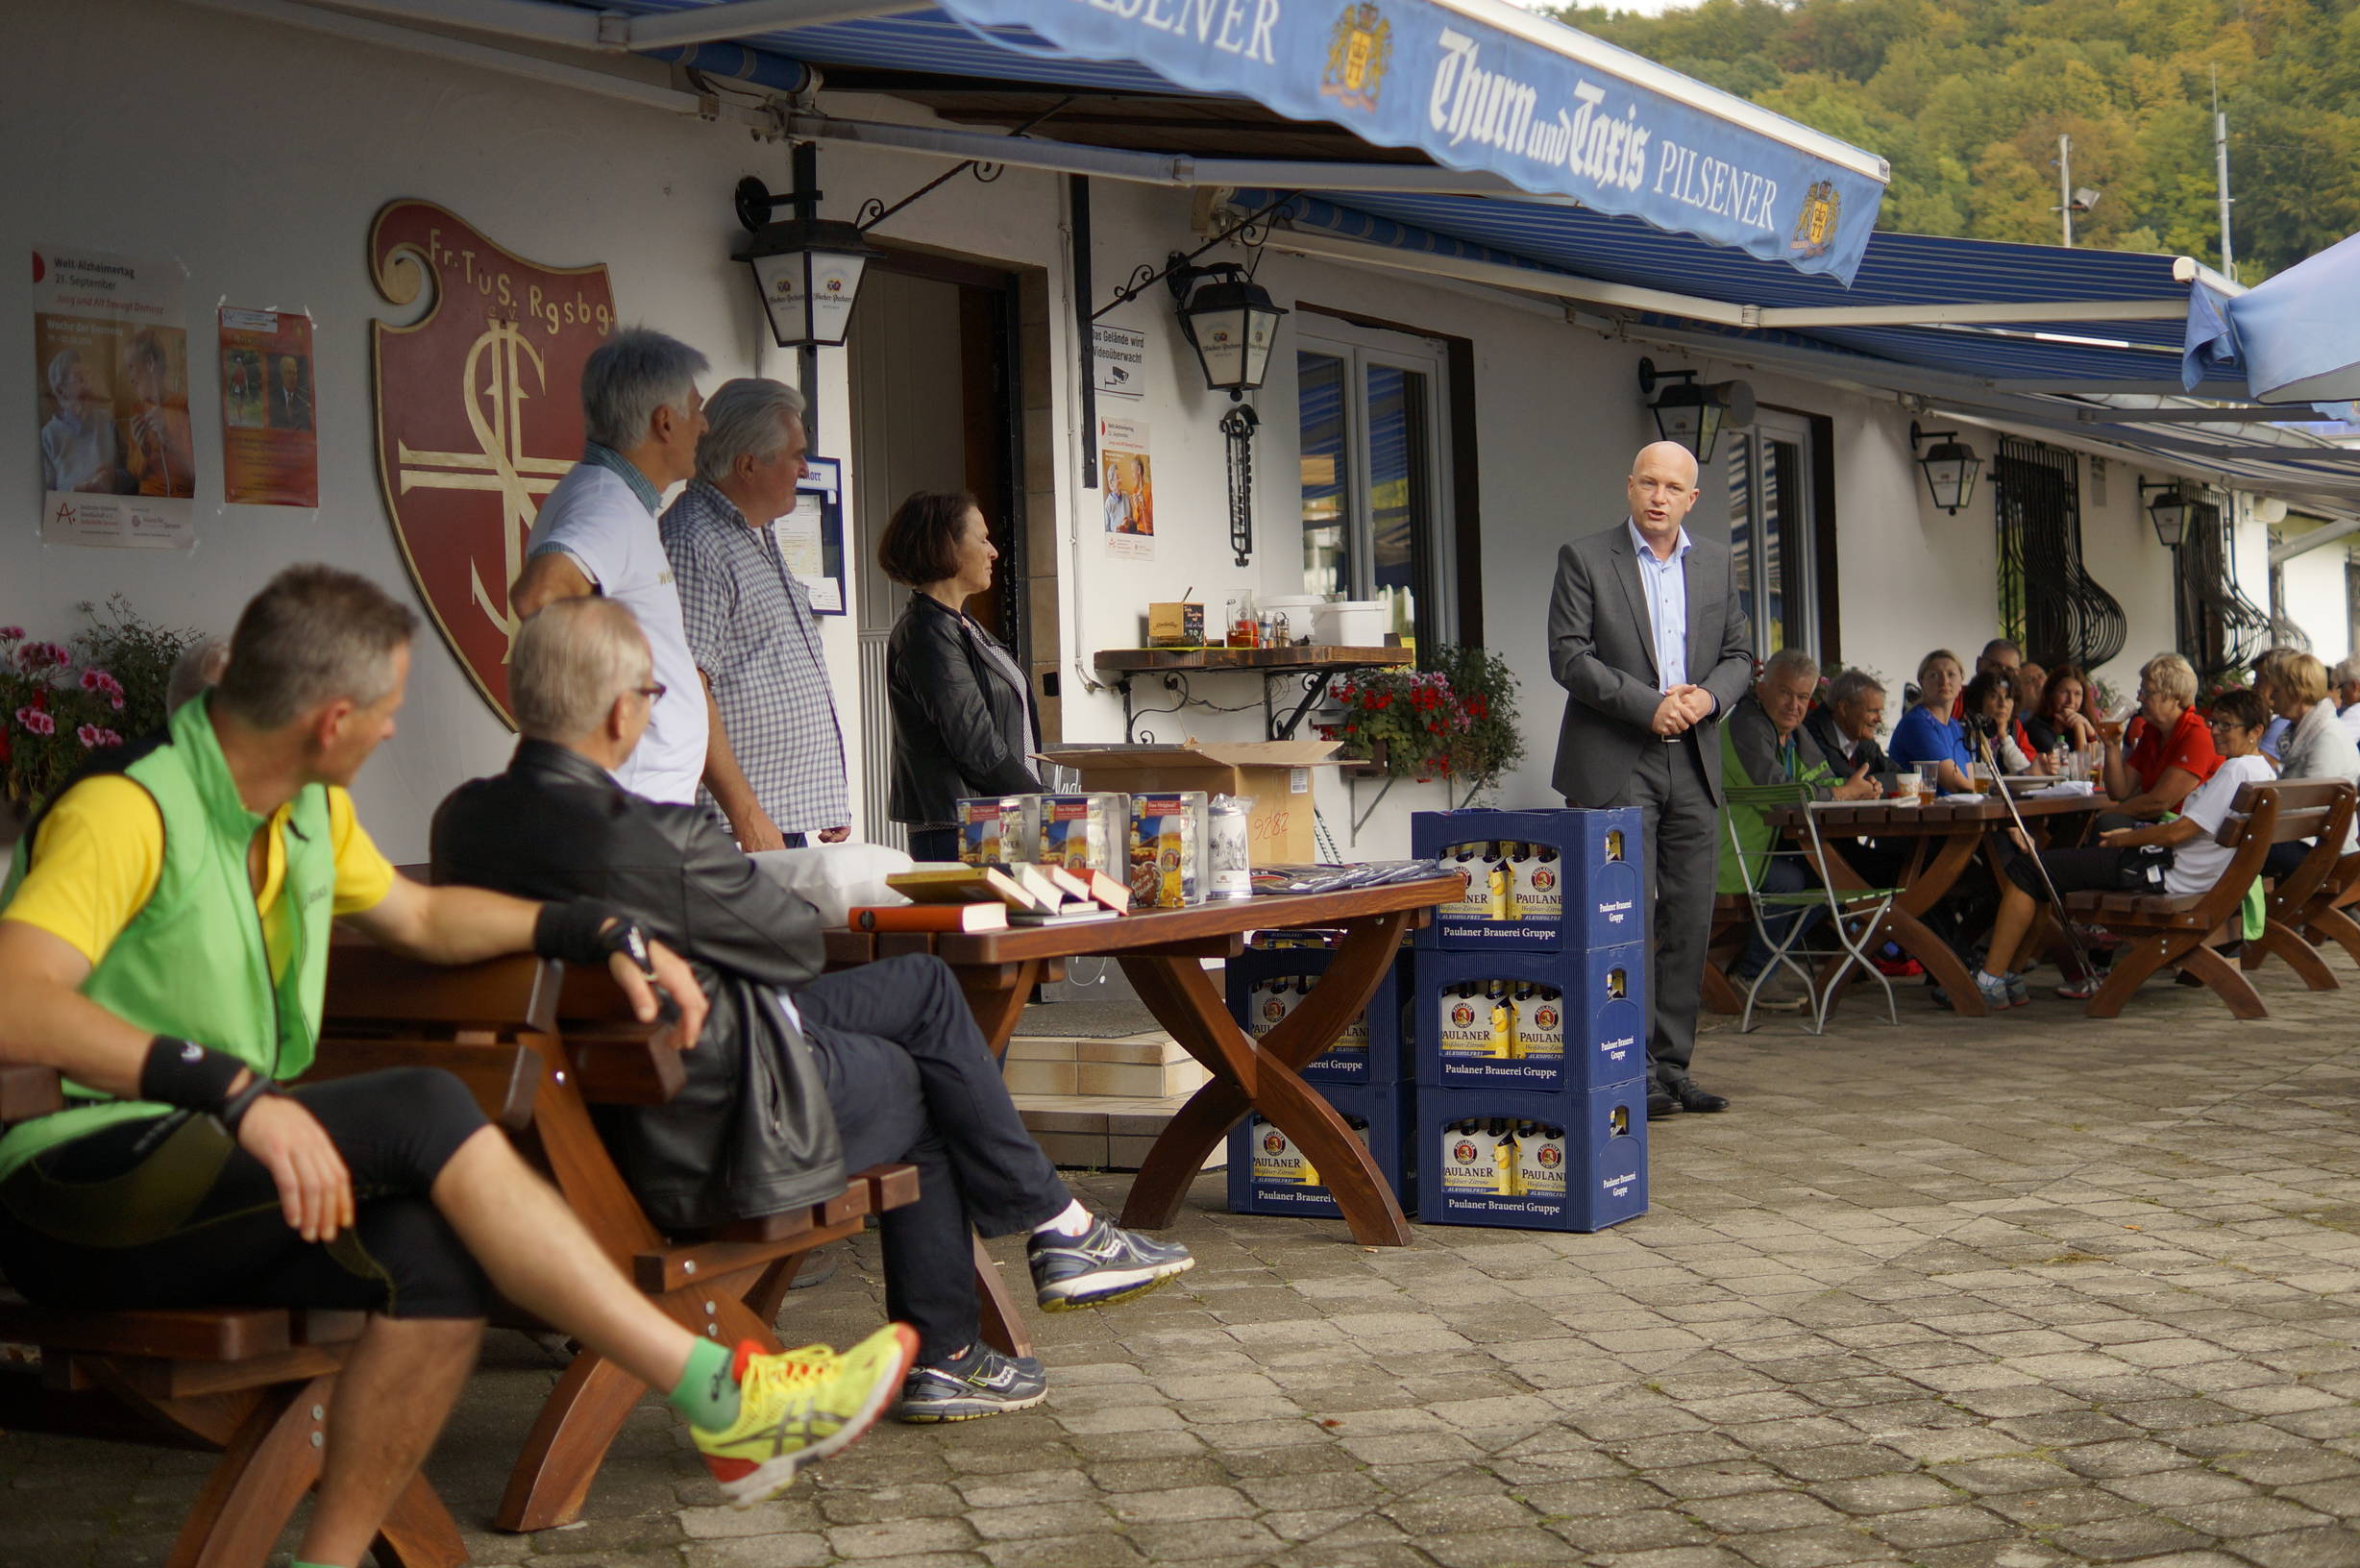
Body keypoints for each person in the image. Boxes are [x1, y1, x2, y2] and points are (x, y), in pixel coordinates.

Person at [0, 567, 920, 1556]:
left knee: (432, 1265)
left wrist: (590, 926)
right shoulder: (128, 809)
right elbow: (15, 1001)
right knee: (426, 1107)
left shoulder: (305, 810)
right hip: (76, 1187)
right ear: (331, 721)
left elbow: (424, 919)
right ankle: (720, 1393)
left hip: (209, 1180)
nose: (396, 729)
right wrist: (229, 1088)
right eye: (388, 710)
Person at [433, 597, 1192, 1421]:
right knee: (925, 1078)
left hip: (567, 1120)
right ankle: (955, 1344)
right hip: (705, 1133)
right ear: (622, 711)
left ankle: (1061, 1226)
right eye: (654, 696)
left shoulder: (463, 824)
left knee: (926, 991)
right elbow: (793, 947)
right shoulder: (656, 837)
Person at [1547, 441, 1754, 1118]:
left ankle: (1671, 1068)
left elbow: (1740, 655)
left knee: (1690, 918)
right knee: (1622, 920)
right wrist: (1648, 705)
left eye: (1672, 487)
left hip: (1693, 758)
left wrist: (1708, 698)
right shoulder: (1585, 558)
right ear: (1629, 487)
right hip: (1617, 756)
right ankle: (1626, 1069)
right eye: (1648, 483)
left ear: (1693, 498)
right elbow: (1568, 656)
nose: (1659, 497)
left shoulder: (1718, 562)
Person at [510, 327, 710, 806]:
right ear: (665, 422)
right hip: (632, 795)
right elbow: (540, 595)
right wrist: (616, 704)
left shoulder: (613, 499)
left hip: (638, 796)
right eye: (697, 408)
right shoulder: (607, 506)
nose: (704, 426)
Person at [1976, 689, 2274, 1005]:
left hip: (2166, 874)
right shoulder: (2263, 771)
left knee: (2029, 869)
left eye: (2227, 725)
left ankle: (1991, 979)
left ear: (2255, 731)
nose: (2216, 731)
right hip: (2194, 876)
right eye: (2215, 723)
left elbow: (2180, 832)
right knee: (2041, 874)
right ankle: (2008, 978)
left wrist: (2123, 839)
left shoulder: (2236, 770)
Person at [661, 378, 850, 851]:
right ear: (748, 465)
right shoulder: (695, 541)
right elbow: (686, 688)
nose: (805, 469)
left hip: (773, 822)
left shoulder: (755, 532)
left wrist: (822, 798)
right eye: (796, 455)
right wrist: (746, 816)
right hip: (732, 832)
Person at [878, 492, 1043, 863]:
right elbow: (975, 743)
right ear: (946, 546)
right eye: (982, 539)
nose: (994, 552)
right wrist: (1044, 802)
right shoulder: (927, 631)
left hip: (996, 821)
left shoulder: (962, 626)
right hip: (959, 831)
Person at [1716, 649, 1879, 993]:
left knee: (1838, 875)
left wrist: (1857, 789)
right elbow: (1778, 794)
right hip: (1730, 854)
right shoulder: (1746, 726)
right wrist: (1841, 793)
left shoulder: (1795, 733)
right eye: (1785, 693)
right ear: (1762, 689)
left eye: (1803, 697)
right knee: (1794, 880)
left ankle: (1759, 966)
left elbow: (1822, 779)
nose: (1794, 705)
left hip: (1768, 849)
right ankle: (1755, 973)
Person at [2256, 650, 2360, 878]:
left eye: (2277, 690)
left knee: (2236, 845)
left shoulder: (2327, 737)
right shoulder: (2304, 732)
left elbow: (2313, 809)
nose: (2271, 697)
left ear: (2296, 692)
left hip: (2324, 850)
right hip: (2307, 842)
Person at [2102, 652, 2220, 821]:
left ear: (2175, 697)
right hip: (2159, 823)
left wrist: (2109, 813)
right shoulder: (2153, 732)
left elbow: (2158, 803)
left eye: (2147, 692)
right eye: (2140, 691)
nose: (2139, 698)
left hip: (2183, 828)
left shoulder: (2198, 736)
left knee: (2106, 822)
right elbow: (2120, 791)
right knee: (2104, 823)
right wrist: (2112, 746)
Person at [122, 329, 195, 500]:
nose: (130, 378)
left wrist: (169, 439)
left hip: (183, 500)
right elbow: (133, 471)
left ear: (150, 363)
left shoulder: (183, 406)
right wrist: (143, 449)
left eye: (132, 367)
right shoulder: (137, 411)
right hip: (149, 498)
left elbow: (195, 470)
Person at [1889, 649, 1975, 794]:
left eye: (1951, 674)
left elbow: (1971, 781)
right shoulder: (1917, 723)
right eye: (1934, 675)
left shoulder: (1955, 727)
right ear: (1921, 682)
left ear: (1961, 683)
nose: (1944, 681)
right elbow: (1957, 785)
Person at [40, 348, 121, 494]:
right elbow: (46, 497)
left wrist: (114, 478)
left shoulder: (107, 421)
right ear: (61, 391)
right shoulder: (49, 435)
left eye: (90, 378)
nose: (89, 386)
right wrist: (74, 495)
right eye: (80, 379)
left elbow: (131, 476)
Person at [1803, 667, 1895, 786]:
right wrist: (1873, 783)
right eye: (1872, 711)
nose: (1879, 719)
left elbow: (1901, 776)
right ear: (1845, 708)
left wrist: (1871, 783)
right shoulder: (1811, 733)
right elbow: (1849, 783)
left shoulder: (1860, 735)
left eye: (1880, 711)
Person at [1960, 671, 2033, 775]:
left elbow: (2025, 774)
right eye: (1994, 696)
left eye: (2008, 697)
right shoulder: (1966, 731)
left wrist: (2004, 737)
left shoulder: (2014, 729)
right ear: (1980, 700)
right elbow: (1981, 776)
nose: (2002, 704)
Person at [2023, 662, 2100, 759]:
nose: (2071, 700)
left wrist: (2091, 733)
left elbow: (2098, 762)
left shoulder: (2078, 724)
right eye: (2065, 692)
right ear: (2051, 695)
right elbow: (2081, 765)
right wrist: (2079, 726)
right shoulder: (2037, 729)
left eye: (2077, 694)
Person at [2251, 648, 2299, 762]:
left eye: (2260, 680)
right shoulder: (2282, 719)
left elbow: (2256, 765)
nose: (2254, 687)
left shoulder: (2284, 724)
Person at [268, 353, 313, 431]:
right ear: (282, 374)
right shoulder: (272, 397)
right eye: (289, 372)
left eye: (294, 373)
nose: (292, 377)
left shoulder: (304, 400)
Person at [2330, 654, 2360, 744]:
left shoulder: (2356, 714)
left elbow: (2330, 743)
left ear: (2355, 686)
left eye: (2341, 687)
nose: (2341, 695)